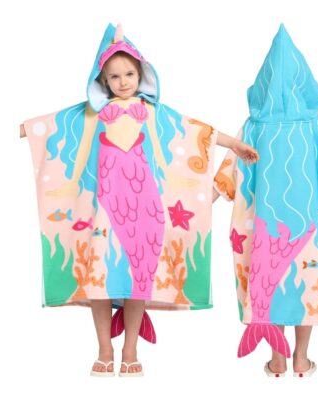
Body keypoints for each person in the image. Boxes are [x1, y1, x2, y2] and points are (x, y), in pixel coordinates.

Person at [20, 23, 259, 378]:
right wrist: (27, 129)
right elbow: (54, 124)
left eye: (129, 74)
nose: (123, 82)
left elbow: (196, 130)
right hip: (104, 211)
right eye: (114, 77)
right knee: (99, 277)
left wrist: (235, 144)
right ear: (103, 81)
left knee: (138, 276)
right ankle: (104, 348)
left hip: (145, 208)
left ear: (141, 74)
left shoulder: (152, 112)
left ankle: (130, 347)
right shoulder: (93, 113)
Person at [212, 24, 318, 377]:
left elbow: (229, 172)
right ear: (304, 83)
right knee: (305, 287)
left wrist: (204, 198)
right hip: (307, 230)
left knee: (267, 285)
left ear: (263, 84)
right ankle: (301, 359)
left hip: (262, 228)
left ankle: (277, 360)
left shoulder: (254, 126)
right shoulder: (312, 127)